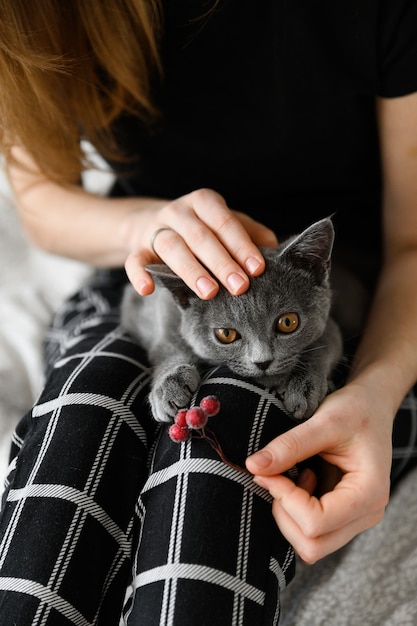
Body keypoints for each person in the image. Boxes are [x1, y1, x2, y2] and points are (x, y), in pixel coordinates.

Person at [0, 0, 417, 624]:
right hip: (150, 273)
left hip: (358, 297)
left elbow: (414, 243)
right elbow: (38, 199)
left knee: (221, 462)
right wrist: (145, 223)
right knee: (86, 415)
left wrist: (377, 392)